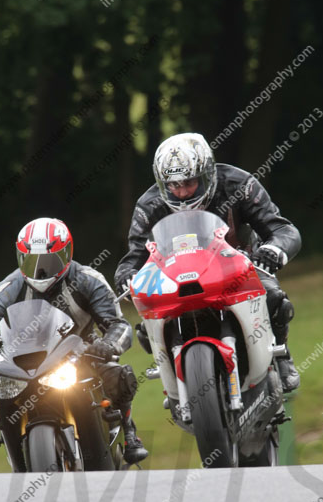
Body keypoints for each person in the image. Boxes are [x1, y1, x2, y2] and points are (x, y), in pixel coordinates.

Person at [114, 133, 301, 392]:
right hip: (175, 277)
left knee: (274, 298)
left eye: (189, 183)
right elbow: (134, 255)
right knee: (147, 325)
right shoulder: (148, 205)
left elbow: (283, 229)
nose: (180, 192)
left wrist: (273, 250)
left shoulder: (239, 184)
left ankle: (281, 356)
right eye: (172, 185)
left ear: (207, 174)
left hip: (240, 265)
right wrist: (126, 274)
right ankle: (172, 380)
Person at [0, 217, 148, 466]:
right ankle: (16, 454)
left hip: (81, 357)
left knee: (116, 374)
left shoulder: (89, 279)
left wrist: (107, 345)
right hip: (24, 364)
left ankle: (130, 433)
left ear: (66, 254)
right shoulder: (3, 292)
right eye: (31, 261)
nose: (39, 270)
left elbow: (118, 325)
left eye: (48, 261)